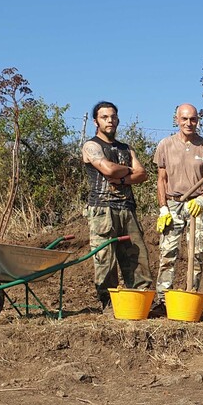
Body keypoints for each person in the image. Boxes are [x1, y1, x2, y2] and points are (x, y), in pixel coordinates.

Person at [82, 101, 152, 311]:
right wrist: (129, 169)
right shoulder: (91, 146)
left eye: (113, 117)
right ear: (96, 121)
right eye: (104, 117)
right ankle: (109, 304)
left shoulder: (125, 148)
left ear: (118, 119)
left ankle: (140, 302)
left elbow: (143, 174)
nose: (110, 120)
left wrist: (122, 179)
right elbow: (108, 169)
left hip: (127, 208)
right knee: (105, 259)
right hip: (102, 209)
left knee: (137, 256)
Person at [154, 103, 203, 306]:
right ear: (177, 120)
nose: (188, 123)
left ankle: (190, 295)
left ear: (197, 120)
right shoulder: (165, 145)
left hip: (197, 206)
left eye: (192, 119)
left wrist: (201, 199)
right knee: (168, 252)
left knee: (197, 252)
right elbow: (161, 180)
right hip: (173, 204)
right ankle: (163, 300)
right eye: (184, 119)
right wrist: (163, 207)